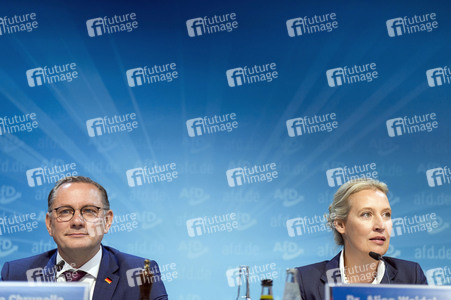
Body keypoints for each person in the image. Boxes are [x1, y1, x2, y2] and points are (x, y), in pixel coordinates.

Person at [1, 176, 168, 300]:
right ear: (49, 223)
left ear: (107, 221)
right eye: (65, 211)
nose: (77, 222)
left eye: (89, 211)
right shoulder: (16, 274)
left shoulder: (140, 274)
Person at [296, 178, 427, 300]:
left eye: (386, 214)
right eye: (366, 214)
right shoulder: (305, 281)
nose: (381, 225)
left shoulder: (411, 276)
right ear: (341, 224)